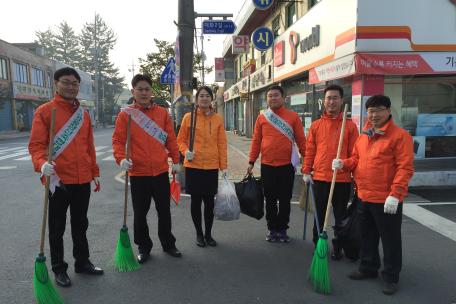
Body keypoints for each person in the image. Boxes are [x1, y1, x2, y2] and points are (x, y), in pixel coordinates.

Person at [29, 67, 103, 288]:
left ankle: (82, 262)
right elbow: (36, 146)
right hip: (58, 181)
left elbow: (89, 147)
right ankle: (59, 268)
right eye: (66, 82)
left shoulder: (84, 114)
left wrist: (94, 173)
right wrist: (42, 164)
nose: (71, 86)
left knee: (81, 224)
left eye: (75, 83)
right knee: (57, 227)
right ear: (56, 84)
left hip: (82, 180)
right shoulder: (44, 111)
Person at [332, 94, 414, 295]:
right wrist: (343, 164)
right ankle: (368, 268)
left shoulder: (399, 136)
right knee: (367, 236)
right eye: (370, 111)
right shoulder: (364, 135)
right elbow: (356, 159)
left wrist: (395, 194)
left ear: (388, 111)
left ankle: (391, 276)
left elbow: (405, 168)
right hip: (363, 196)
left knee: (390, 239)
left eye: (378, 110)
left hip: (386, 200)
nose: (374, 114)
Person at [112, 74, 182, 263]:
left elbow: (170, 139)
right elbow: (118, 141)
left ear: (152, 92)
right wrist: (120, 159)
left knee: (164, 211)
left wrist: (176, 160)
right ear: (133, 91)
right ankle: (144, 247)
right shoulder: (126, 115)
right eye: (140, 89)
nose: (144, 93)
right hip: (139, 173)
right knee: (140, 214)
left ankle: (168, 244)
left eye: (147, 89)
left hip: (160, 171)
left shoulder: (162, 113)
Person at [302, 84, 359, 259]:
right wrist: (306, 170)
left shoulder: (349, 127)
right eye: (328, 98)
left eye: (335, 98)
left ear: (342, 101)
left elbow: (356, 156)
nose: (332, 101)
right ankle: (318, 244)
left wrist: (344, 164)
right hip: (319, 177)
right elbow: (310, 150)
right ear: (323, 101)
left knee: (340, 215)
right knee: (318, 214)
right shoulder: (316, 125)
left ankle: (339, 245)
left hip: (341, 179)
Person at [247, 85, 306, 242]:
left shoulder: (293, 117)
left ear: (283, 97)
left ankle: (283, 229)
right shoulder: (262, 118)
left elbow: (301, 140)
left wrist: (307, 160)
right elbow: (256, 141)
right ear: (267, 99)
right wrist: (251, 161)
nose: (273, 98)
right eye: (270, 96)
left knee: (285, 200)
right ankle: (272, 229)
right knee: (270, 200)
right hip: (267, 165)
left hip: (287, 166)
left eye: (276, 95)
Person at [177, 86, 227, 247]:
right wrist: (186, 152)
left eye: (207, 96)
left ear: (211, 99)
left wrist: (223, 167)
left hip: (211, 166)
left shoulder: (217, 119)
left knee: (210, 202)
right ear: (196, 99)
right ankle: (199, 234)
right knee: (196, 201)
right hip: (194, 165)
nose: (204, 98)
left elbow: (222, 144)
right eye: (201, 96)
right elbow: (180, 140)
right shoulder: (188, 117)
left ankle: (208, 234)